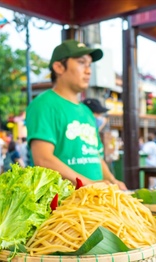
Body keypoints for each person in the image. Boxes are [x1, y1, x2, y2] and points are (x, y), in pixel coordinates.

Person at [25, 40, 126, 190]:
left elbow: (96, 155)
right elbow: (43, 159)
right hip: (65, 205)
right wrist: (88, 184)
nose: (88, 70)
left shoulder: (86, 111)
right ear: (59, 67)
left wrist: (112, 181)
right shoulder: (44, 104)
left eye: (89, 65)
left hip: (97, 200)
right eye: (81, 62)